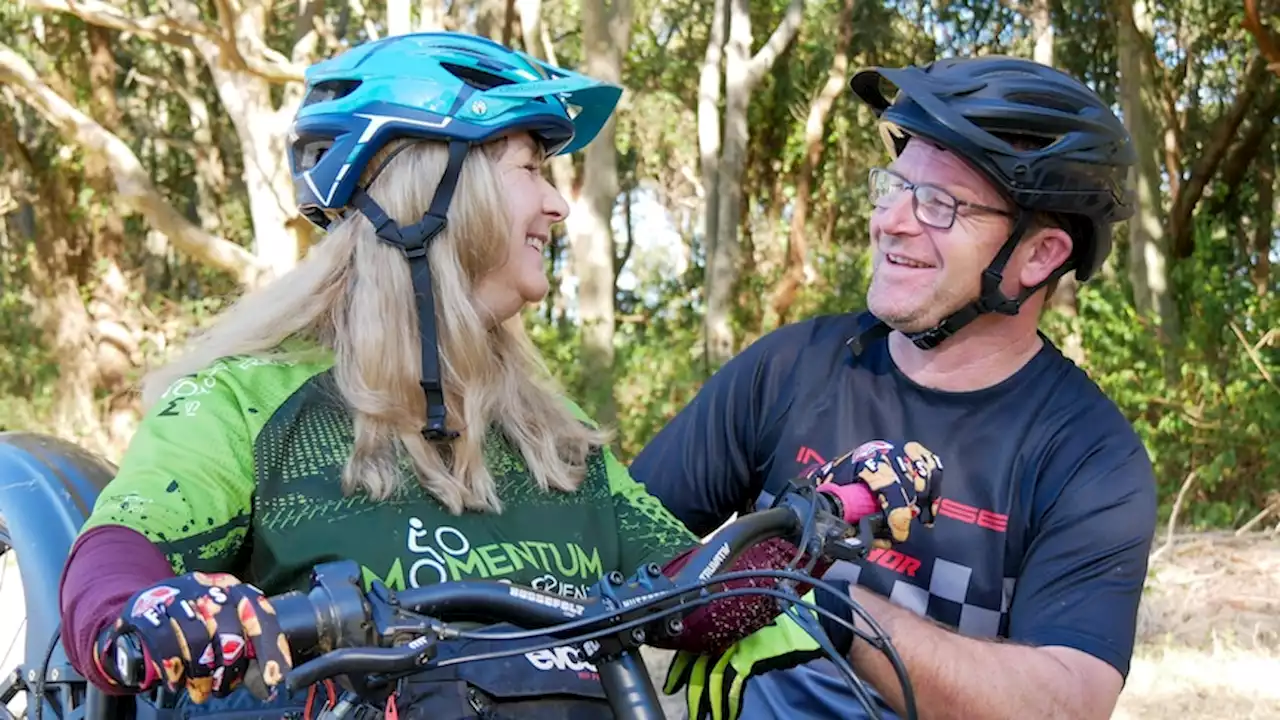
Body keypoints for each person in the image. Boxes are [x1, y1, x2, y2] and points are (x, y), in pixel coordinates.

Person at [56, 32, 879, 720]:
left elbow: (692, 603)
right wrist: (153, 614)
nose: (558, 207)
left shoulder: (553, 439)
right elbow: (114, 562)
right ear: (427, 191)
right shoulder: (247, 400)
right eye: (531, 167)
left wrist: (823, 520)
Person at [636, 55, 1159, 720]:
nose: (891, 222)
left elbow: (1066, 702)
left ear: (1038, 256)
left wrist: (829, 608)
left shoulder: (1090, 456)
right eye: (895, 186)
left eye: (940, 204)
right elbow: (620, 552)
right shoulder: (792, 368)